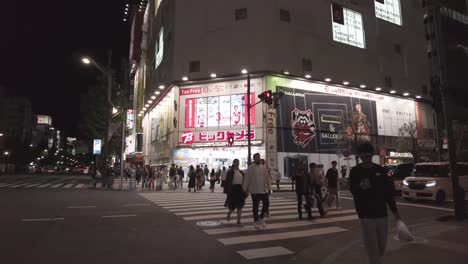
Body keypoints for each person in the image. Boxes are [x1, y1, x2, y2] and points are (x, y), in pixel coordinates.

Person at [350, 142, 401, 264]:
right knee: (372, 246)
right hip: (365, 215)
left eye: (368, 156)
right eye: (363, 157)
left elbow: (388, 193)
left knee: (382, 245)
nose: (366, 159)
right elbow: (352, 190)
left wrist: (395, 212)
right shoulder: (355, 171)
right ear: (359, 156)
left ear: (372, 155)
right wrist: (360, 186)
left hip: (381, 213)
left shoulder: (380, 170)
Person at [243, 153, 271, 229]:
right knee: (255, 206)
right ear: (254, 159)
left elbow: (268, 178)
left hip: (263, 190)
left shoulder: (264, 167)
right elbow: (247, 178)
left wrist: (269, 188)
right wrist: (245, 189)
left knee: (267, 204)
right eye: (257, 158)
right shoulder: (250, 168)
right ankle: (256, 221)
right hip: (254, 190)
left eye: (259, 157)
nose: (258, 159)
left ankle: (261, 217)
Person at [225, 159, 246, 226]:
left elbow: (244, 181)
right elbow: (227, 181)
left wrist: (245, 189)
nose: (237, 163)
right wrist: (227, 190)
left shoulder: (241, 172)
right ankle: (229, 214)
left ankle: (238, 220)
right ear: (233, 163)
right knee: (233, 206)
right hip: (233, 189)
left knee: (240, 206)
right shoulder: (230, 171)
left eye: (238, 162)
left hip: (240, 189)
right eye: (236, 162)